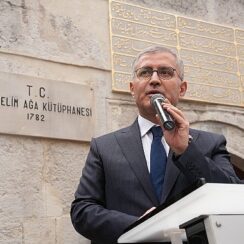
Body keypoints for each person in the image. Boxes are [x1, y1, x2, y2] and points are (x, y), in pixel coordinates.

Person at [70, 46, 241, 244]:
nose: (154, 79)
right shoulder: (104, 147)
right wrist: (140, 227)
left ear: (182, 88)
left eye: (165, 72)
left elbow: (234, 197)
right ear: (133, 88)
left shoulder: (211, 143)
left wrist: (185, 151)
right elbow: (82, 210)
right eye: (144, 72)